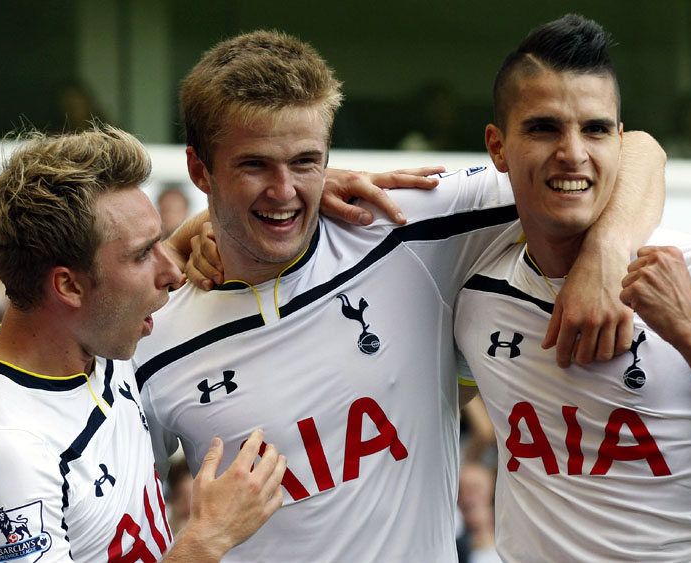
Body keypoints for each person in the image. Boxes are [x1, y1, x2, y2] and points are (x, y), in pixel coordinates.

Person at [134, 29, 664, 562]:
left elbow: (636, 150)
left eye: (305, 160)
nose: (283, 190)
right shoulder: (152, 340)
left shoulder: (403, 225)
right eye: (254, 164)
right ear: (200, 170)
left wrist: (607, 255)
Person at [453, 15, 691, 561]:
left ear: (620, 141)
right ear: (497, 146)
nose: (573, 152)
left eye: (595, 129)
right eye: (543, 128)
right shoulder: (475, 289)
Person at [0, 125, 288, 562]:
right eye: (143, 254)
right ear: (69, 286)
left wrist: (326, 187)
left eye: (159, 242)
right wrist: (207, 540)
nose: (172, 272)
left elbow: (222, 221)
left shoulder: (94, 329)